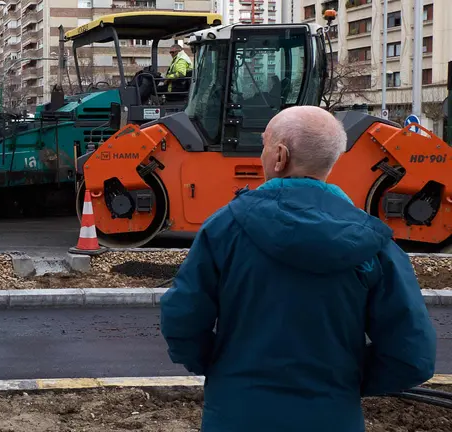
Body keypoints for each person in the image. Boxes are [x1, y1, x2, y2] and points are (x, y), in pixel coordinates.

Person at [159, 106, 436, 432]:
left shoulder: (224, 229)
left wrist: (220, 368)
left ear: (280, 156)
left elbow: (181, 319)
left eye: (264, 145)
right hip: (333, 417)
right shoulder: (375, 244)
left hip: (237, 415)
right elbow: (412, 356)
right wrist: (348, 382)